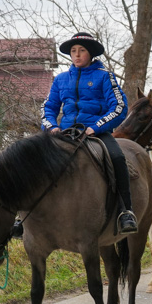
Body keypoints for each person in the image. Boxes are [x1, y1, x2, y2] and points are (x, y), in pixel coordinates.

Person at [42, 32, 137, 233]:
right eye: (73, 51)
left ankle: (125, 211)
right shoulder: (60, 80)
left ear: (91, 53)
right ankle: (26, 216)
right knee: (32, 156)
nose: (76, 55)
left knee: (118, 157)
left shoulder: (105, 77)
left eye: (81, 51)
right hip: (64, 132)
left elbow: (119, 107)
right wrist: (52, 126)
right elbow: (49, 107)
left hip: (97, 132)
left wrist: (96, 127)